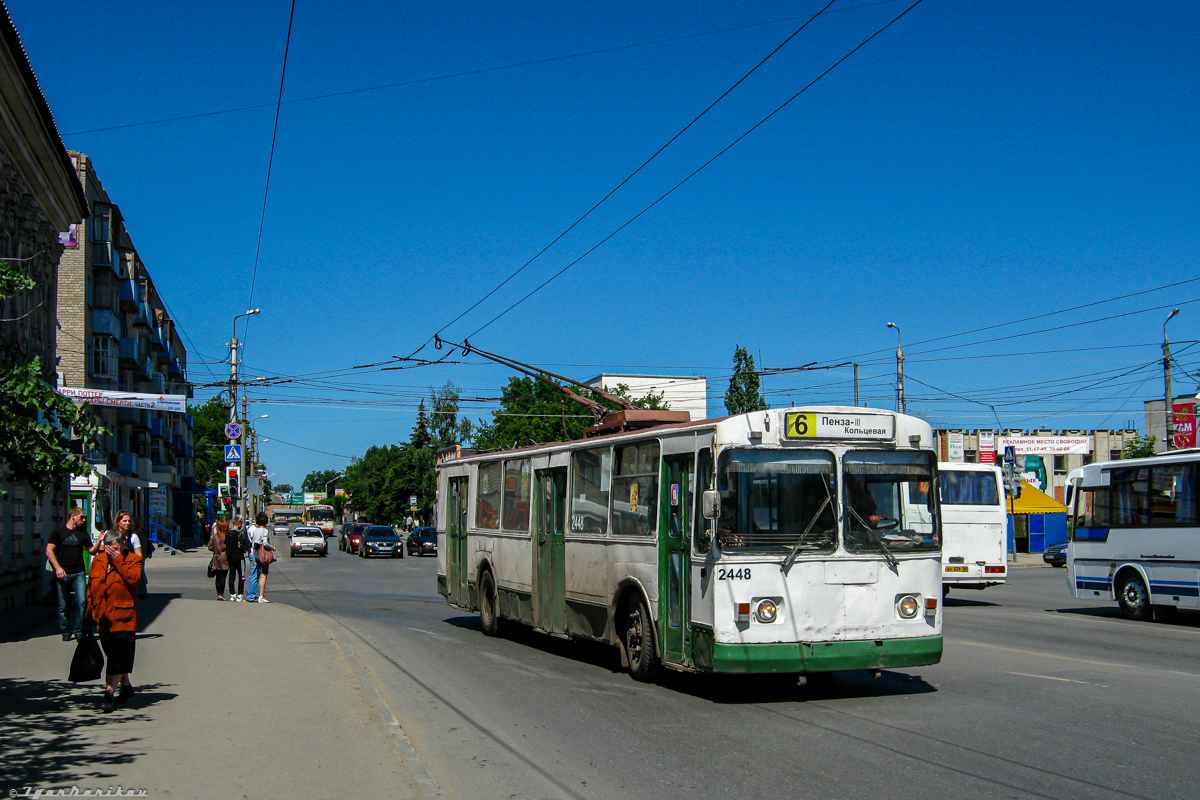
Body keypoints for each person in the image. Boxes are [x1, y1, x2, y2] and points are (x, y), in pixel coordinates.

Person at [86, 528, 143, 712]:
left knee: (117, 657)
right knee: (113, 655)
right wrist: (87, 613)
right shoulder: (99, 560)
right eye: (109, 548)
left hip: (124, 618)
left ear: (123, 545)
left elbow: (133, 580)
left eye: (115, 548)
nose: (111, 552)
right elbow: (91, 587)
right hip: (103, 617)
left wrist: (118, 560)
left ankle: (108, 694)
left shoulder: (134, 560)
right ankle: (126, 687)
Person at [46, 506, 89, 641]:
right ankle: (66, 630)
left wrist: (101, 541)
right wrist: (58, 568)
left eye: (84, 517)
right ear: (73, 517)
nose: (84, 519)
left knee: (82, 602)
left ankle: (78, 630)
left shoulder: (83, 534)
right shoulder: (58, 532)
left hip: (79, 573)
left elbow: (92, 550)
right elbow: (49, 550)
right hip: (63, 573)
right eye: (81, 516)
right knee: (63, 605)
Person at [247, 512, 275, 603]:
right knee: (263, 574)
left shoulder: (255, 530)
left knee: (254, 575)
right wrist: (272, 548)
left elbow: (255, 544)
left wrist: (255, 557)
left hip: (256, 554)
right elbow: (265, 543)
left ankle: (252, 595)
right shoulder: (265, 531)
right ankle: (261, 596)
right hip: (263, 555)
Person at [237, 517, 259, 602]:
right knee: (254, 575)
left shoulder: (250, 527)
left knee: (254, 575)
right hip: (254, 553)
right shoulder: (253, 529)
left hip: (252, 553)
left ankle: (252, 595)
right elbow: (255, 542)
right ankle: (251, 596)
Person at [206, 520, 230, 600]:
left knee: (217, 577)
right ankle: (221, 594)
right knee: (223, 576)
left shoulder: (214, 536)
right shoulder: (227, 536)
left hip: (216, 557)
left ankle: (219, 594)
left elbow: (209, 546)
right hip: (224, 557)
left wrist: (215, 550)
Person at [225, 517, 247, 602]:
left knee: (231, 575)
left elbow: (227, 546)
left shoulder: (228, 533)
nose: (241, 525)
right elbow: (243, 546)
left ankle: (232, 594)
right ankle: (240, 595)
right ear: (238, 523)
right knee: (241, 576)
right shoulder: (239, 534)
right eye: (240, 523)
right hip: (239, 557)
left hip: (230, 557)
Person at [132, 516, 151, 598]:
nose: (143, 523)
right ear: (137, 523)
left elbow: (146, 543)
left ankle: (141, 591)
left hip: (142, 555)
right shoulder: (135, 534)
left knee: (141, 573)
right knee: (141, 574)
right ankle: (142, 592)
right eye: (142, 522)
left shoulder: (143, 531)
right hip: (137, 556)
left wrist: (148, 552)